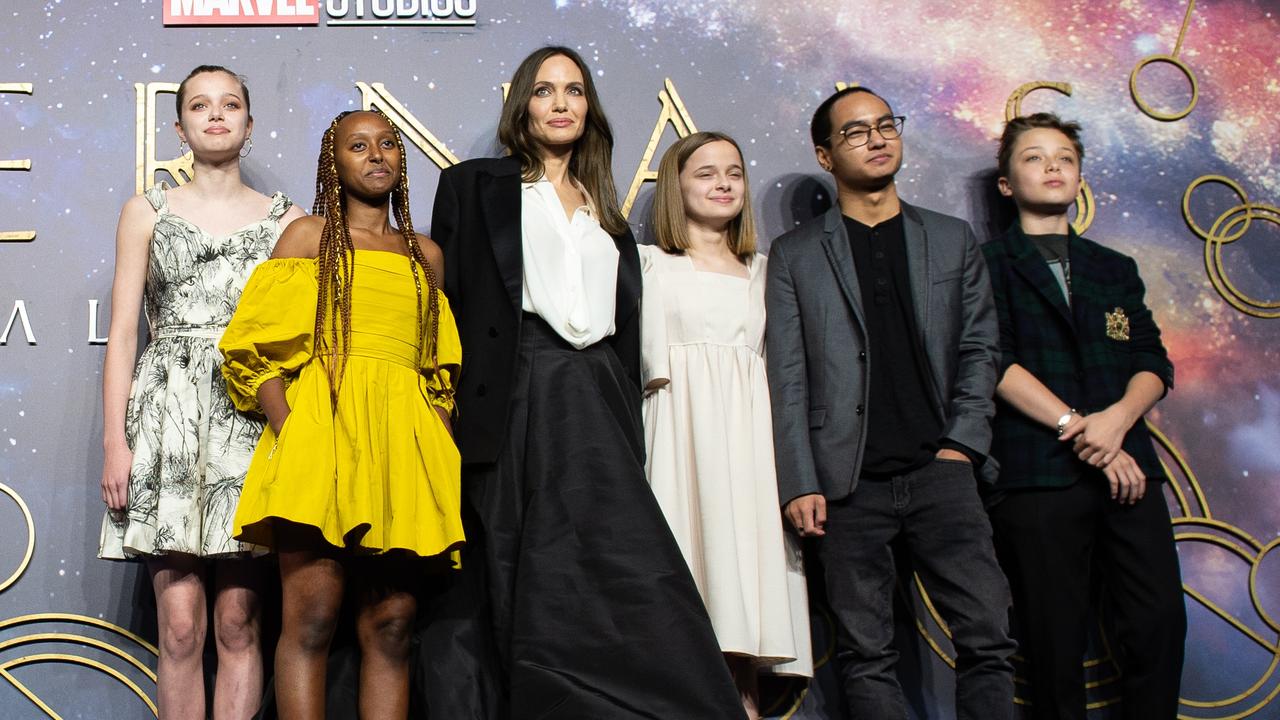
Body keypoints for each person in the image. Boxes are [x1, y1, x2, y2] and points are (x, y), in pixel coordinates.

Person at [430, 45, 743, 718]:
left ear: (590, 108)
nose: (562, 103)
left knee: (614, 559)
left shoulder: (610, 216)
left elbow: (622, 328)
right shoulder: (475, 184)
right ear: (523, 105)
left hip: (597, 394)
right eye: (545, 90)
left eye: (575, 90)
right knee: (514, 562)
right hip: (514, 390)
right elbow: (449, 306)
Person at [765, 85, 1015, 719]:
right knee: (866, 654)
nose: (876, 138)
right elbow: (787, 376)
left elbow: (981, 349)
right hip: (847, 486)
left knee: (988, 640)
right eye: (855, 132)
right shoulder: (796, 254)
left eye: (885, 125)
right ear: (825, 155)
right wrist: (800, 479)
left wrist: (963, 444)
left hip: (944, 471)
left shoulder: (952, 238)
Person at [219, 109, 463, 720]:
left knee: (392, 625)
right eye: (359, 145)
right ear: (335, 160)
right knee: (313, 618)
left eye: (388, 144)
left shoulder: (426, 255)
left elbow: (439, 369)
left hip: (405, 450)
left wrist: (438, 444)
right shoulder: (307, 237)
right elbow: (258, 349)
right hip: (319, 441)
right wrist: (293, 429)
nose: (377, 155)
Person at [98, 64, 304, 719]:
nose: (216, 116)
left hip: (250, 420)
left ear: (249, 123)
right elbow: (125, 336)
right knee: (180, 626)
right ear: (179, 124)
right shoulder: (146, 212)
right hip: (167, 423)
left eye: (230, 105)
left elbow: (294, 343)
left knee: (240, 624)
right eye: (200, 105)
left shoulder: (289, 222)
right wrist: (114, 443)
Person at [983, 112, 1185, 720]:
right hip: (1038, 473)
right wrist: (1079, 427)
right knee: (1052, 641)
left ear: (1080, 179)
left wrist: (1117, 421)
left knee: (1159, 624)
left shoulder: (1112, 268)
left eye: (1065, 158)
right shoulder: (984, 263)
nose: (1052, 167)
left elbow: (1152, 360)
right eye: (1034, 157)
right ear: (1005, 183)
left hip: (1129, 471)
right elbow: (994, 360)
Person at [639, 130, 812, 718]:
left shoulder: (767, 271)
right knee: (688, 590)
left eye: (733, 172)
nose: (722, 183)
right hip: (679, 442)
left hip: (750, 448)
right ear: (675, 185)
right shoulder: (648, 266)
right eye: (705, 172)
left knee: (745, 592)